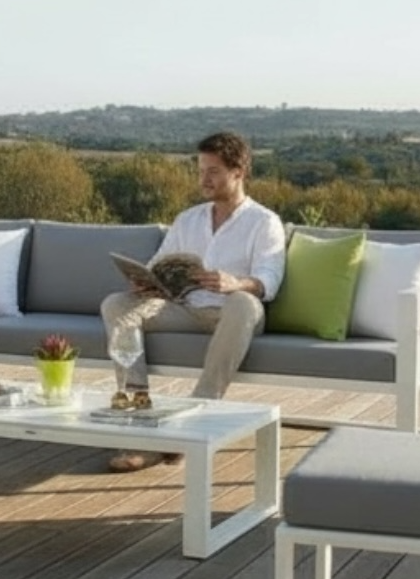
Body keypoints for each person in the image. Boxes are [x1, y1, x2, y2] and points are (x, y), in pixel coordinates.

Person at [99, 130, 286, 471]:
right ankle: (140, 415)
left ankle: (196, 417)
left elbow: (269, 280)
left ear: (238, 172)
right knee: (116, 304)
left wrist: (236, 283)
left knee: (244, 303)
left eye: (213, 171)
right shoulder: (189, 219)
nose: (204, 179)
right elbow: (159, 263)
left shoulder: (264, 222)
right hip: (183, 307)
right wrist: (148, 282)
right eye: (200, 171)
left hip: (231, 313)